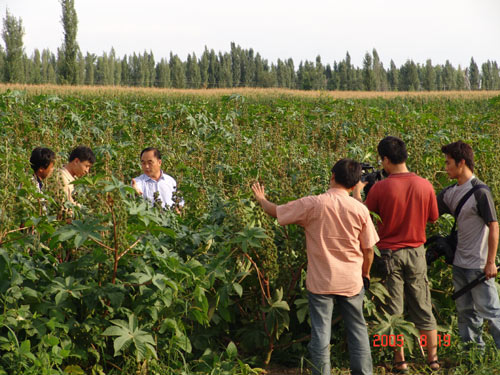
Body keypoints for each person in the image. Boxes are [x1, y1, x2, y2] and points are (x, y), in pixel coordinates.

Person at [252, 158, 379, 375]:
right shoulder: (359, 209)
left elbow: (277, 212)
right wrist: (365, 273)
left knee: (321, 333)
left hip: (321, 281)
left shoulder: (313, 204)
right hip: (351, 281)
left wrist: (261, 199)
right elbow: (368, 249)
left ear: (332, 177)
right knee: (358, 330)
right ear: (354, 184)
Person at [353, 136, 440, 372]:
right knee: (423, 306)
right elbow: (433, 217)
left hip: (390, 253)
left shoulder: (381, 187)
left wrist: (358, 193)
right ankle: (432, 359)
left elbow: (364, 216)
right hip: (416, 252)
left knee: (393, 310)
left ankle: (400, 360)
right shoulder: (425, 185)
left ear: (386, 160)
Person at [437, 140, 500, 349]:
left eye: (448, 163)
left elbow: (494, 226)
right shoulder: (449, 193)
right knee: (465, 311)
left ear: (461, 162)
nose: (445, 168)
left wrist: (490, 262)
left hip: (479, 264)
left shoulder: (480, 191)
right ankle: (473, 352)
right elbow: (430, 212)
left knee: (491, 311)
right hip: (459, 263)